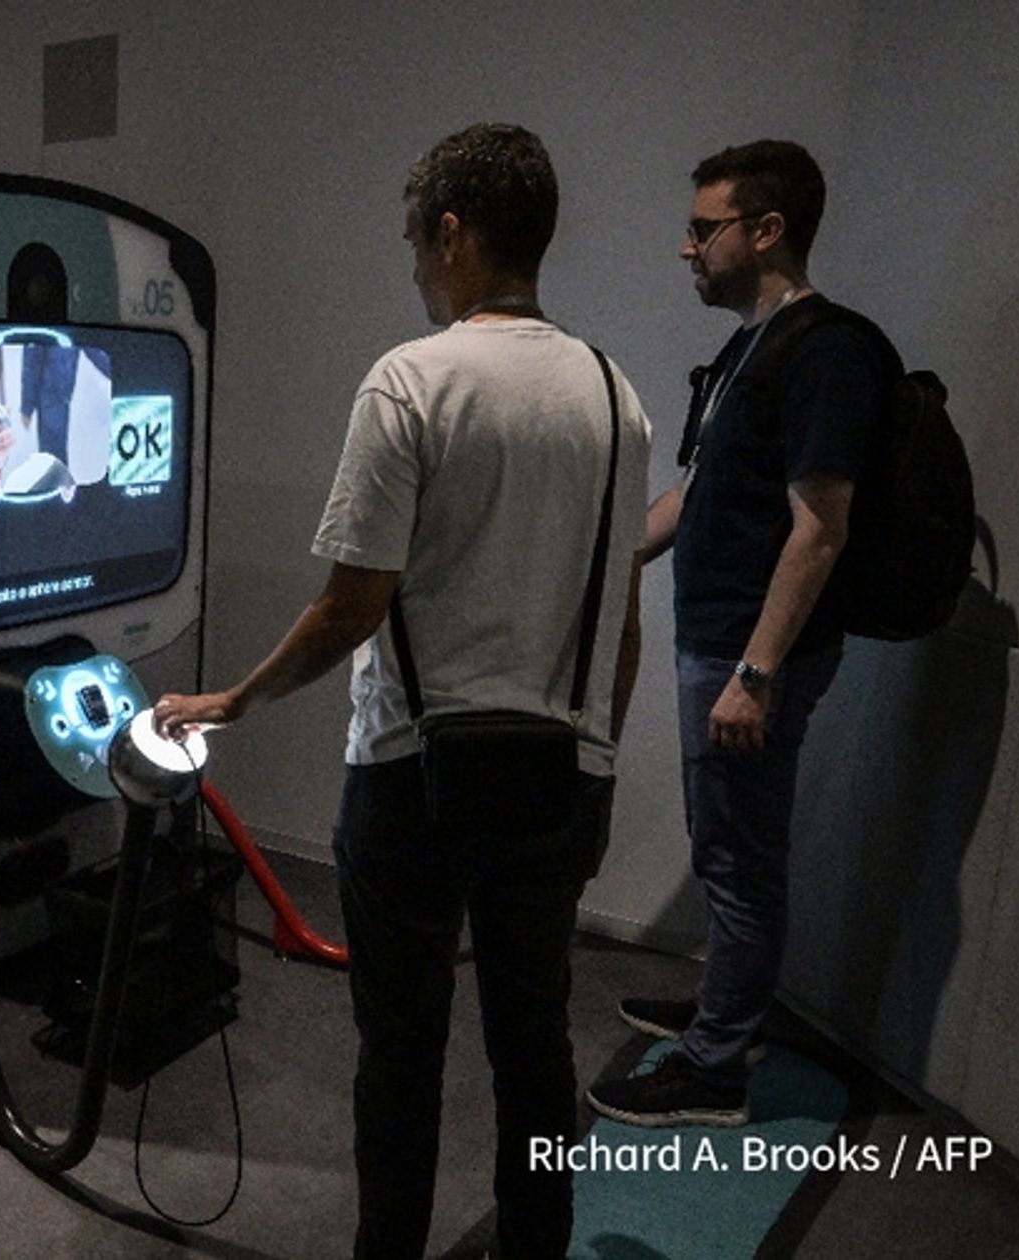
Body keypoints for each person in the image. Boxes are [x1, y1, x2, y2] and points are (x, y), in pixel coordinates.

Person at [155, 123, 651, 1260]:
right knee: (534, 1048)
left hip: (409, 784)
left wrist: (232, 700)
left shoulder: (409, 381)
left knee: (401, 1054)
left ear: (451, 231)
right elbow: (619, 623)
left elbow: (350, 608)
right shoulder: (612, 394)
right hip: (557, 780)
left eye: (412, 242)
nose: (412, 269)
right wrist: (596, 766)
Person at [587, 140, 899, 1126]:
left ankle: (715, 1072)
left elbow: (819, 525)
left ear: (764, 231)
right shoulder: (746, 348)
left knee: (737, 858)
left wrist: (755, 674)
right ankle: (728, 1011)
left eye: (701, 228)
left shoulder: (827, 350)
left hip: (745, 656)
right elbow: (698, 492)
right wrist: (604, 567)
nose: (684, 249)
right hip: (716, 642)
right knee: (726, 846)